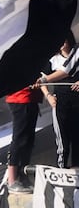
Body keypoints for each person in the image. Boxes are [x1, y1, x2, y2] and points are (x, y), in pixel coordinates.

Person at [36, 37, 79, 170]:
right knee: (63, 140)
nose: (61, 44)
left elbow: (65, 72)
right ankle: (62, 169)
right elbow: (41, 81)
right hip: (61, 102)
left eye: (63, 40)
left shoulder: (77, 51)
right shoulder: (52, 60)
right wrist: (48, 96)